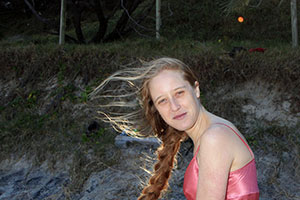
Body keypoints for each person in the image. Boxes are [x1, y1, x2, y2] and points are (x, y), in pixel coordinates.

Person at [90, 57, 259, 200]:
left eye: (179, 93)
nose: (174, 106)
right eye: (162, 100)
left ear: (196, 89)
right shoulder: (213, 132)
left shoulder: (215, 138)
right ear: (156, 108)